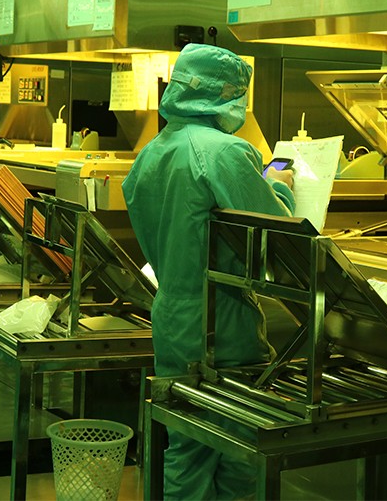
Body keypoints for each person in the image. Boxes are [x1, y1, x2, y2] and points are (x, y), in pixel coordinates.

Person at [123, 43, 294, 500]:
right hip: (220, 324)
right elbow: (278, 236)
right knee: (234, 452)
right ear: (228, 94)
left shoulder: (151, 153)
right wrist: (280, 189)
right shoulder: (225, 152)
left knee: (189, 446)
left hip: (173, 318)